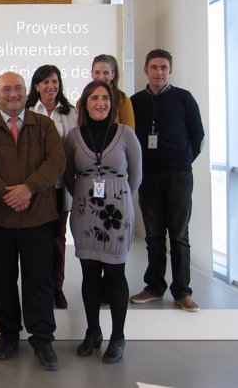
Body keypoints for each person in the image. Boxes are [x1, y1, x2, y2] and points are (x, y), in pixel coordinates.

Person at [0, 72, 65, 370]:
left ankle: (42, 338)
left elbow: (56, 162)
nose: (13, 94)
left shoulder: (45, 125)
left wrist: (28, 189)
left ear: (27, 92)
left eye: (18, 89)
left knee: (39, 280)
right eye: (6, 89)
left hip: (38, 215)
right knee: (2, 280)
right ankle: (9, 334)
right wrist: (6, 194)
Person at [63, 81, 142, 364]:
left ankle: (118, 336)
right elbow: (67, 175)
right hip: (85, 214)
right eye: (94, 98)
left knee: (116, 275)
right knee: (89, 274)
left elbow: (136, 177)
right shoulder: (73, 136)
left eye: (105, 98)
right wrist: (85, 197)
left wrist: (118, 198)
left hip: (117, 214)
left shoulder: (126, 134)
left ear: (112, 103)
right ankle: (93, 331)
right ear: (84, 103)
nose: (100, 103)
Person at [129, 49, 204, 312]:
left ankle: (182, 291)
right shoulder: (135, 101)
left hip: (179, 176)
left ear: (170, 70)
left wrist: (182, 162)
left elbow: (198, 136)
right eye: (154, 67)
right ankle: (154, 286)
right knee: (153, 235)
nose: (158, 72)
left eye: (163, 67)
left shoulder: (184, 98)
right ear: (145, 70)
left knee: (180, 235)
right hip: (148, 177)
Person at [26, 64, 77, 309]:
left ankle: (56, 287)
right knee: (35, 240)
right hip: (35, 187)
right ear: (36, 86)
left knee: (58, 239)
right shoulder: (26, 111)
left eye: (54, 81)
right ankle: (37, 287)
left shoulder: (69, 113)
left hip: (59, 186)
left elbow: (73, 150)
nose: (50, 86)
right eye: (45, 82)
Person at [90, 54, 135, 128]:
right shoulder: (82, 101)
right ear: (92, 74)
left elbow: (130, 135)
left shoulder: (123, 101)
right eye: (97, 72)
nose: (101, 77)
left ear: (113, 75)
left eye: (106, 73)